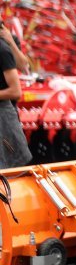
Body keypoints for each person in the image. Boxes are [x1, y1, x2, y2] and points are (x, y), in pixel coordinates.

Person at [0, 22, 32, 169]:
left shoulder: (4, 47)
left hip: (6, 112)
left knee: (9, 165)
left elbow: (23, 66)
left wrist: (11, 42)